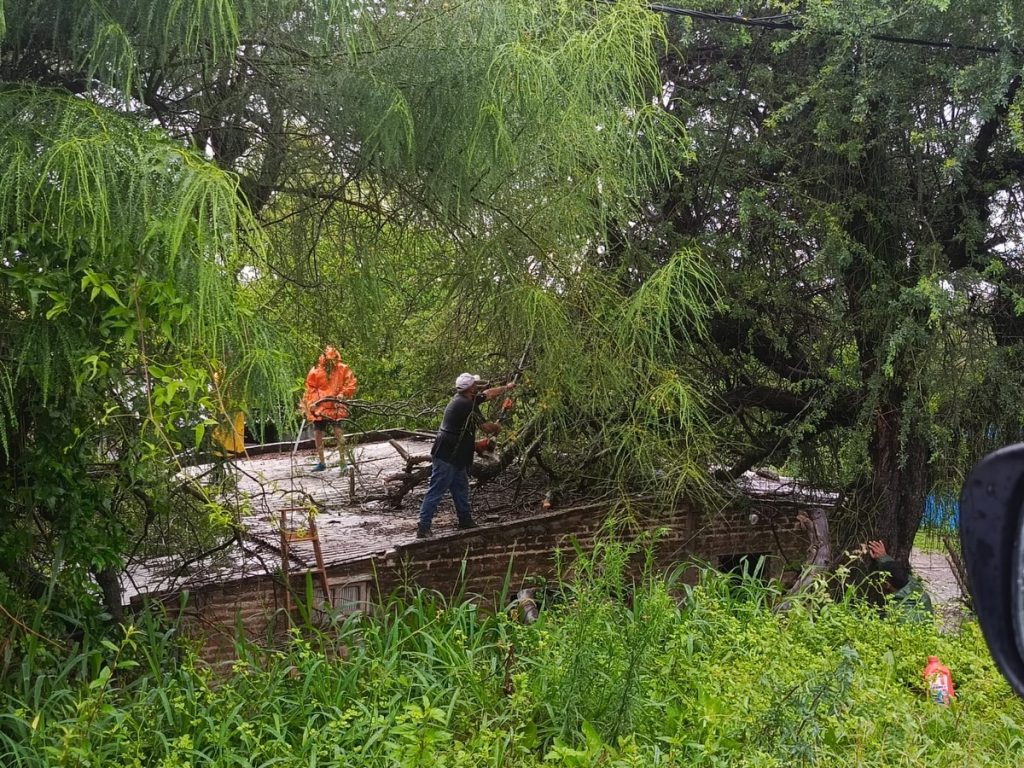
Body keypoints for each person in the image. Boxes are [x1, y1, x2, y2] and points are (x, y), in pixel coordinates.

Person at [416, 372, 517, 538]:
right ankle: (423, 527)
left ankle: (465, 520)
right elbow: (486, 428)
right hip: (447, 455)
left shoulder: (466, 398)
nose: (478, 386)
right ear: (471, 388)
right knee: (436, 490)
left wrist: (507, 388)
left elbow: (488, 394)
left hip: (457, 455)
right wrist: (497, 426)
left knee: (461, 488)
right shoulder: (466, 405)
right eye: (475, 384)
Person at [302, 346, 357, 473]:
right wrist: (313, 402)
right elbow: (310, 387)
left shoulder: (342, 368)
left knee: (338, 431)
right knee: (318, 433)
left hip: (335, 405)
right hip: (320, 407)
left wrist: (342, 393)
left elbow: (351, 383)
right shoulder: (316, 371)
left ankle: (343, 462)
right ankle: (322, 462)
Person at [865, 539, 934, 619]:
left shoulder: (897, 613)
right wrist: (883, 557)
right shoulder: (917, 589)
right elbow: (898, 572)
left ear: (887, 584)